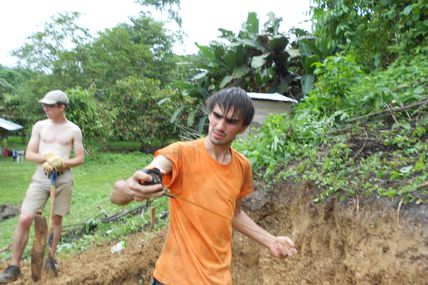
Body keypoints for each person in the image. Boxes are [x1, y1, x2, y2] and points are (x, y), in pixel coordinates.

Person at [110, 87, 297, 285]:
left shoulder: (242, 166)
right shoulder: (181, 153)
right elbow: (125, 190)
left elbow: (233, 212)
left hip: (218, 279)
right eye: (217, 116)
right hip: (173, 278)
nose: (220, 126)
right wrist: (131, 187)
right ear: (210, 115)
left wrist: (270, 240)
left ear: (243, 127)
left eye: (231, 121)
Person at [0, 90, 85, 284]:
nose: (44, 108)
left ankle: (51, 258)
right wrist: (46, 159)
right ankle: (14, 266)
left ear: (61, 107)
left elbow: (80, 158)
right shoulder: (39, 126)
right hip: (41, 177)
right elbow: (30, 153)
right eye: (44, 106)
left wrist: (62, 163)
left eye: (49, 106)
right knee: (25, 218)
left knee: (56, 219)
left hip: (63, 179)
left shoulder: (73, 130)